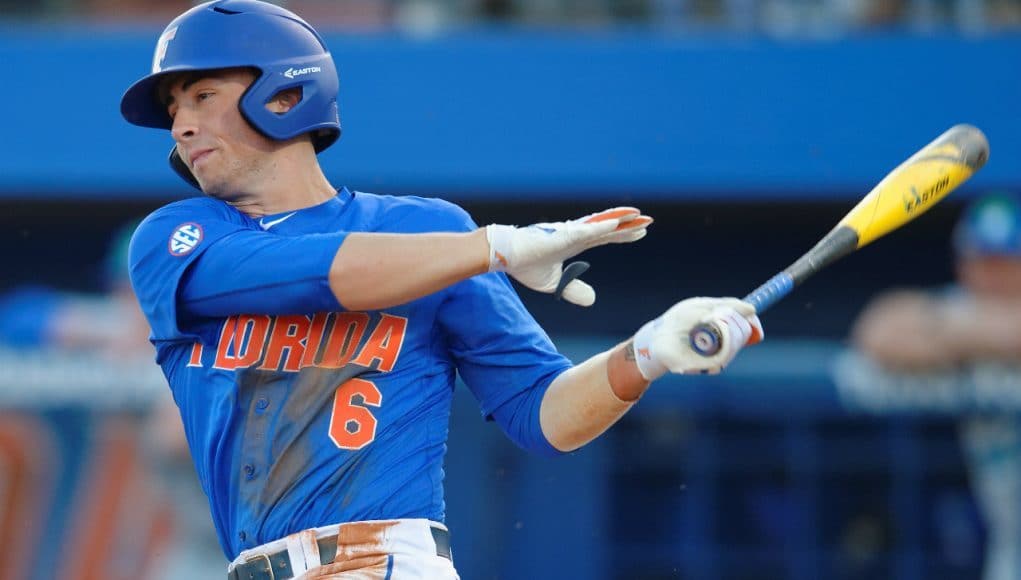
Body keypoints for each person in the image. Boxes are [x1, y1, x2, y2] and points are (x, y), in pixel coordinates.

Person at [120, 2, 764, 578]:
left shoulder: (427, 231)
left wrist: (646, 352)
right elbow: (310, 273)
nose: (181, 124)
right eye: (175, 109)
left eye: (202, 95)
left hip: (391, 561)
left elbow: (545, 415)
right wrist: (495, 248)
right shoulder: (175, 237)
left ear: (284, 96)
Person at [851, 192, 1021, 580]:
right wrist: (984, 334)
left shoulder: (958, 321)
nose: (994, 275)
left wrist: (956, 337)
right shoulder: (962, 310)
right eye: (984, 261)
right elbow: (879, 330)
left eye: (1008, 262)